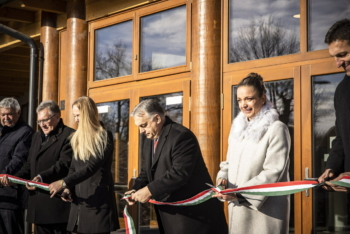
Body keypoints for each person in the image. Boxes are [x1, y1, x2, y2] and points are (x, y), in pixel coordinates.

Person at [124, 99, 228, 234]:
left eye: (143, 125)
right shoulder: (149, 140)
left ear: (157, 118)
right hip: (169, 216)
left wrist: (149, 191)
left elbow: (179, 173)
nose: (141, 131)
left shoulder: (182, 136)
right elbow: (148, 170)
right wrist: (135, 189)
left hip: (193, 217)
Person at [213, 73, 291, 234]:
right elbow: (227, 164)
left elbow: (273, 171)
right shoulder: (237, 129)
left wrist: (239, 193)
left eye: (249, 99)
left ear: (263, 98)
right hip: (237, 206)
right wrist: (222, 180)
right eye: (239, 100)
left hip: (265, 213)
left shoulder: (276, 128)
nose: (244, 105)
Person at [1, 100, 74, 234]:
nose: (42, 124)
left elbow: (63, 165)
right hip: (38, 203)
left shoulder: (69, 135)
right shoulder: (37, 136)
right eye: (39, 121)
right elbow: (29, 164)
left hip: (57, 203)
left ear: (57, 117)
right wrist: (13, 179)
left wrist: (41, 177)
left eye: (45, 120)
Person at [49, 96, 119, 234]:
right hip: (80, 202)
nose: (76, 119)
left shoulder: (104, 136)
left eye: (78, 115)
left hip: (98, 202)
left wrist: (63, 182)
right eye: (74, 116)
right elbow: (74, 167)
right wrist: (68, 187)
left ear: (88, 114)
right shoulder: (77, 137)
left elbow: (91, 167)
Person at [317, 19, 350, 192]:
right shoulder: (342, 91)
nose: (338, 63)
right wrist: (332, 168)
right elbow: (341, 138)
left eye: (342, 54)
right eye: (334, 57)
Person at [0, 98, 33, 234]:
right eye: (2, 115)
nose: (6, 118)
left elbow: (18, 160)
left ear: (18, 113)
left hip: (11, 195)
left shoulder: (25, 132)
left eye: (10, 114)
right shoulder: (2, 131)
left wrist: (2, 175)